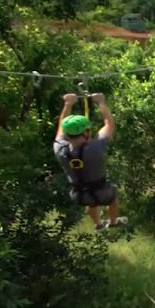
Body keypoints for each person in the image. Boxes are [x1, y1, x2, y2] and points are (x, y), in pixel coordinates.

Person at [54, 93, 127, 232]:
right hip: (102, 191)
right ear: (86, 132)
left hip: (79, 195)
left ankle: (98, 224)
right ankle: (113, 222)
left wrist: (68, 104)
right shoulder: (95, 147)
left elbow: (60, 128)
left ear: (67, 134)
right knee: (113, 199)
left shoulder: (60, 149)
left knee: (90, 201)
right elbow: (109, 124)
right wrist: (101, 102)